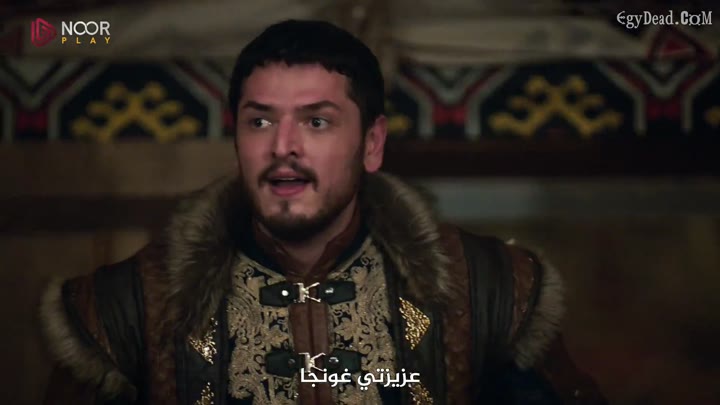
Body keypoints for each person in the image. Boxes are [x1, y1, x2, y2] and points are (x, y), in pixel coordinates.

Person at [40, 19, 606, 405]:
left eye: (316, 121)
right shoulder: (129, 308)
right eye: (260, 121)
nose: (283, 146)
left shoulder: (488, 290)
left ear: (371, 144)